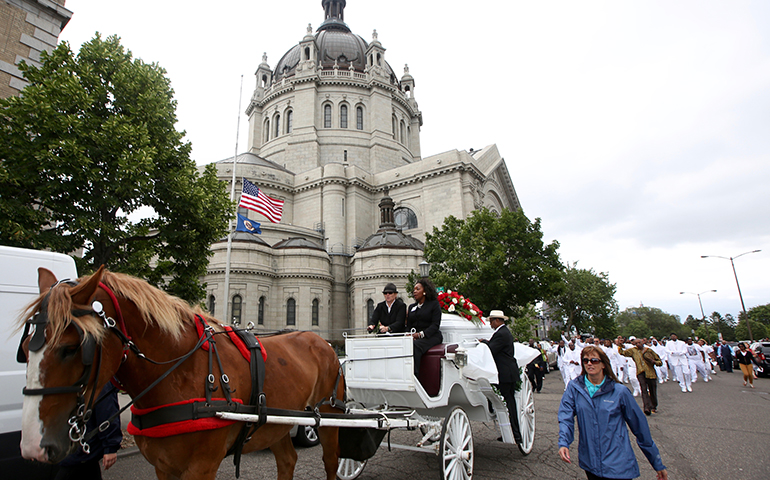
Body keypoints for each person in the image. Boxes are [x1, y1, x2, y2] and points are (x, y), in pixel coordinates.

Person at [558, 346, 668, 480]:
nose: (589, 363)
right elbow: (565, 417)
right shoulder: (575, 388)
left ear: (603, 364)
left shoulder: (619, 392)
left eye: (594, 360)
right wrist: (564, 443)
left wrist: (657, 462)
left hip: (618, 462)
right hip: (590, 462)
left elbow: (640, 428)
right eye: (585, 360)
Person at [55, 384, 122, 480]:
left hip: (81, 448)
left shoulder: (99, 381)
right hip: (73, 448)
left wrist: (110, 447)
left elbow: (107, 411)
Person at [480, 309, 522, 443]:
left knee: (508, 402)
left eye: (491, 321)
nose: (491, 324)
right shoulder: (503, 332)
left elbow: (492, 349)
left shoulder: (501, 333)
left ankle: (515, 434)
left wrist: (483, 343)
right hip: (508, 372)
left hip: (505, 373)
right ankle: (512, 432)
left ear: (497, 320)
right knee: (508, 402)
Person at [400, 278, 442, 376]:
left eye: (418, 289)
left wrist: (420, 335)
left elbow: (435, 325)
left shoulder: (434, 305)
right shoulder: (412, 307)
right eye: (414, 289)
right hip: (415, 336)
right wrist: (408, 335)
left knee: (415, 346)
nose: (415, 291)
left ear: (425, 292)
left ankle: (414, 375)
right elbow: (409, 325)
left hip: (431, 336)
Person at [620, 338, 662, 415]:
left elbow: (659, 362)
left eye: (639, 342)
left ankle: (653, 405)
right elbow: (622, 352)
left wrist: (654, 362)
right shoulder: (633, 351)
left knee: (652, 391)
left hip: (650, 373)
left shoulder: (649, 351)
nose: (638, 344)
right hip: (640, 372)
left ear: (642, 342)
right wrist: (620, 344)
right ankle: (647, 408)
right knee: (644, 390)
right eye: (636, 343)